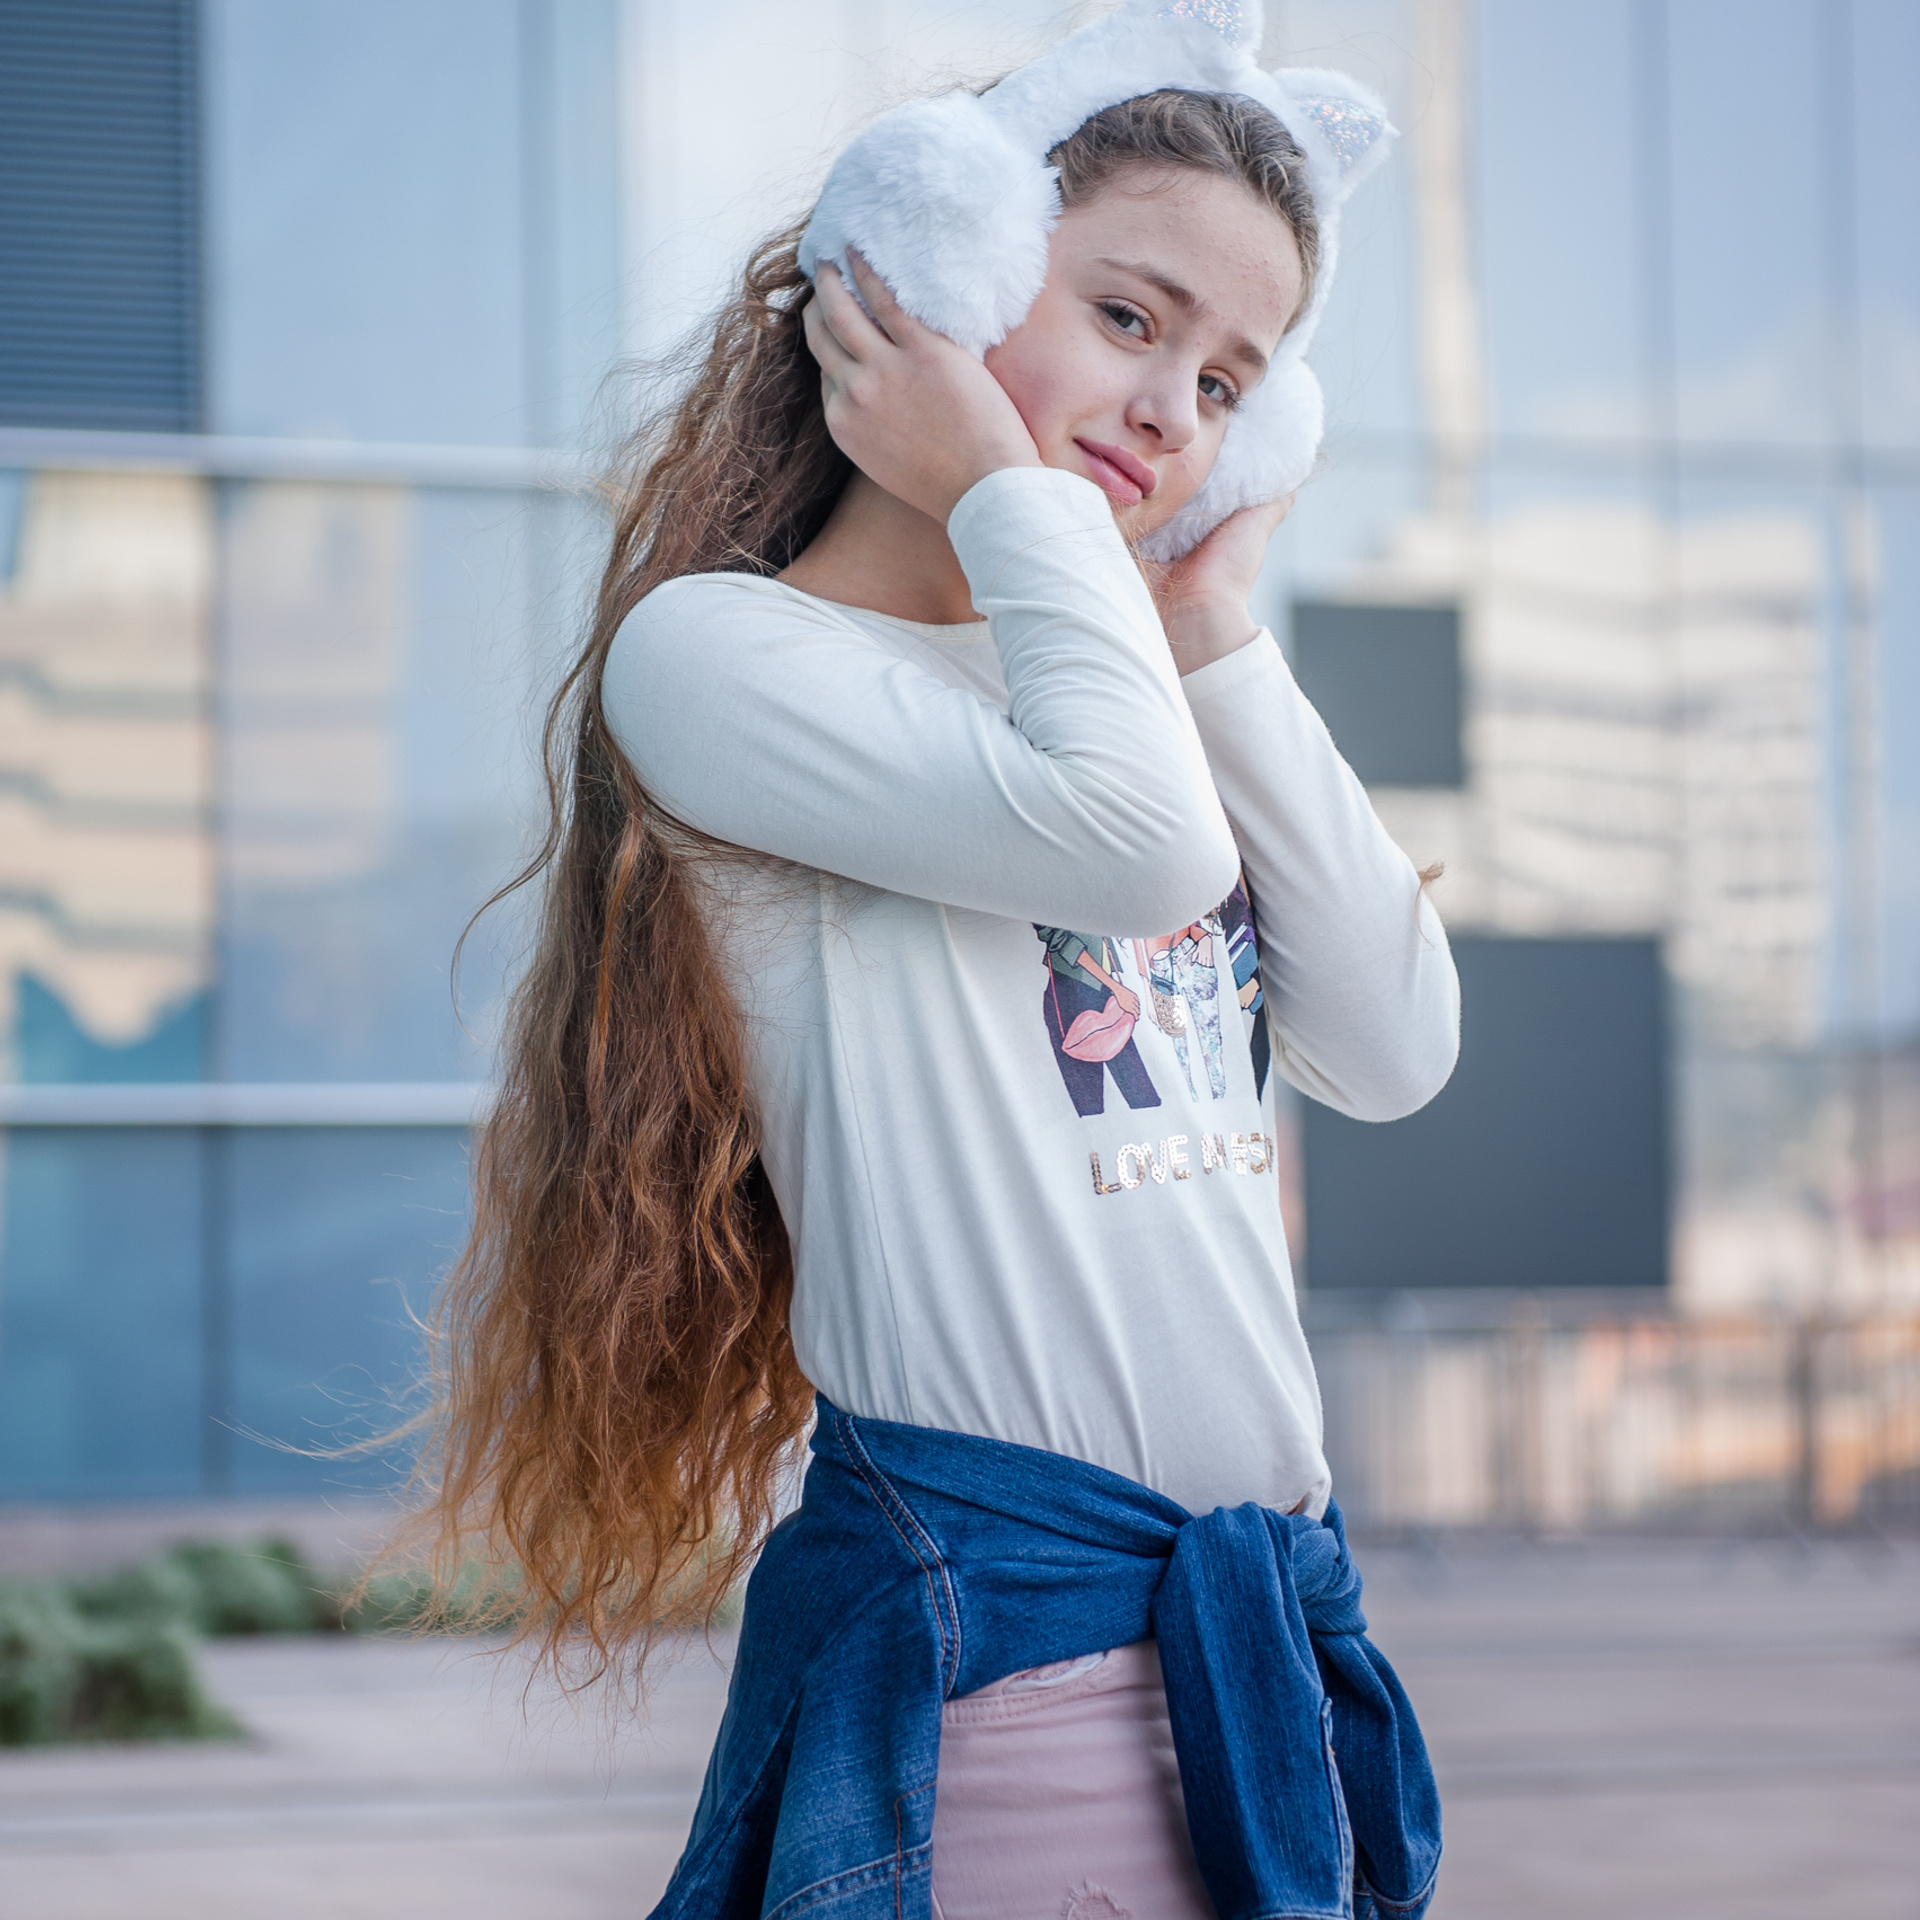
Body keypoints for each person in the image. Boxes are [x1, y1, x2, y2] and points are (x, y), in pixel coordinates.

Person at [421, 5, 1456, 1917]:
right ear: (938, 272)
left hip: (1261, 1672)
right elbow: (1139, 845)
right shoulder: (721, 661)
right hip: (1014, 1676)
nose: (1173, 410)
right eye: (1132, 321)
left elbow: (1393, 1042)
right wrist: (1010, 487)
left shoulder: (1122, 683)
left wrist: (1211, 621)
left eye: (1234, 383)